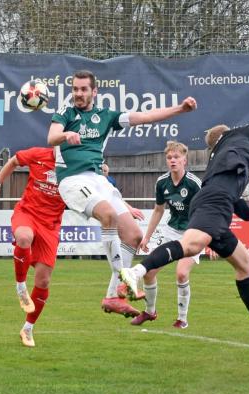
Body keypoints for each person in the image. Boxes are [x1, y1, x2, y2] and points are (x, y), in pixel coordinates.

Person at [48, 69, 196, 317]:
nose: (78, 94)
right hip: (72, 180)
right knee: (108, 215)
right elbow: (52, 136)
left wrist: (179, 109)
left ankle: (112, 296)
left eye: (84, 89)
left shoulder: (106, 117)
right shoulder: (66, 113)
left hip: (98, 180)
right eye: (75, 89)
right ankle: (125, 280)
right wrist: (66, 134)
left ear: (94, 92)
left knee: (134, 236)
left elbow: (146, 116)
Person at [120, 122, 249, 342]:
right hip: (213, 204)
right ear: (226, 135)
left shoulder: (223, 171)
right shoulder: (234, 136)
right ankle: (136, 272)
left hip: (216, 205)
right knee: (190, 246)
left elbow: (244, 213)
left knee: (244, 264)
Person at [0, 146, 66, 348]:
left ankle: (28, 329)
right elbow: (13, 161)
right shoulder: (39, 154)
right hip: (27, 213)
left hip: (51, 225)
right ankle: (21, 287)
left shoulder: (78, 165)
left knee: (44, 280)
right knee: (23, 237)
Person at [133, 141, 202, 328]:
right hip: (171, 231)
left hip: (193, 233)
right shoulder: (162, 182)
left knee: (181, 274)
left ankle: (182, 319)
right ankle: (150, 311)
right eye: (169, 157)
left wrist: (210, 239)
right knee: (149, 272)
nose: (172, 161)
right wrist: (147, 236)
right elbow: (158, 210)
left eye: (176, 157)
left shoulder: (195, 184)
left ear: (184, 160)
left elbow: (205, 211)